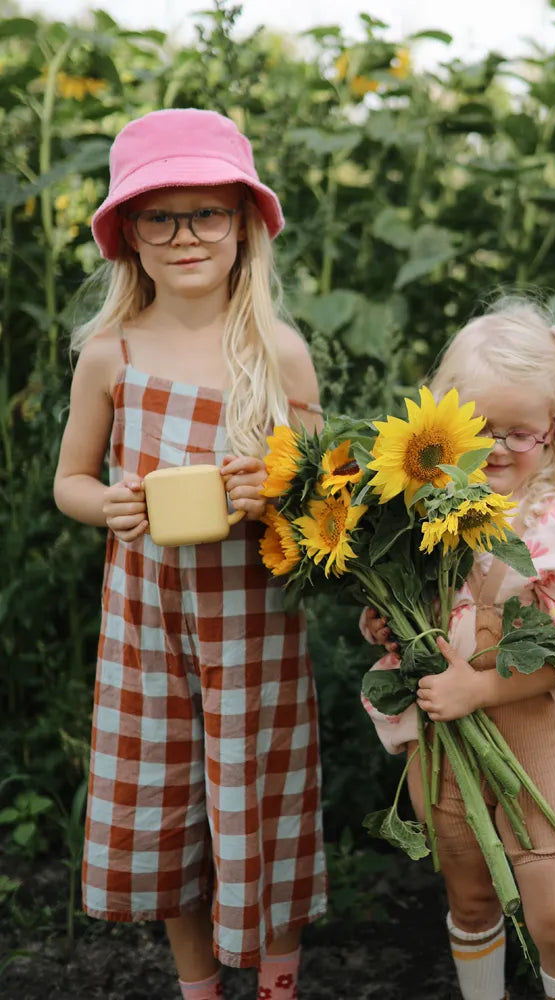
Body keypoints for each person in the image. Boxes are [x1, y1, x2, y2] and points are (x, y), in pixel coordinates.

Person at [52, 108, 327, 1000]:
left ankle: (277, 983)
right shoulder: (111, 355)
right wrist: (108, 505)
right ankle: (197, 986)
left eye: (207, 213)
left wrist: (274, 492)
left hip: (256, 625)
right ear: (128, 234)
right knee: (164, 803)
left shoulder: (277, 353)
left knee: (263, 797)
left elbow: (325, 497)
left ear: (244, 225)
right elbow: (69, 481)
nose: (185, 236)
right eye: (160, 218)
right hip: (146, 624)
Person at [361, 299, 555, 1000]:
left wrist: (480, 688)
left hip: (527, 739)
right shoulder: (414, 519)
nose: (497, 448)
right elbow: (402, 609)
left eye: (519, 432)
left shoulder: (554, 530)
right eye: (479, 429)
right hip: (440, 746)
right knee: (472, 901)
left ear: (553, 433)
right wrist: (383, 626)